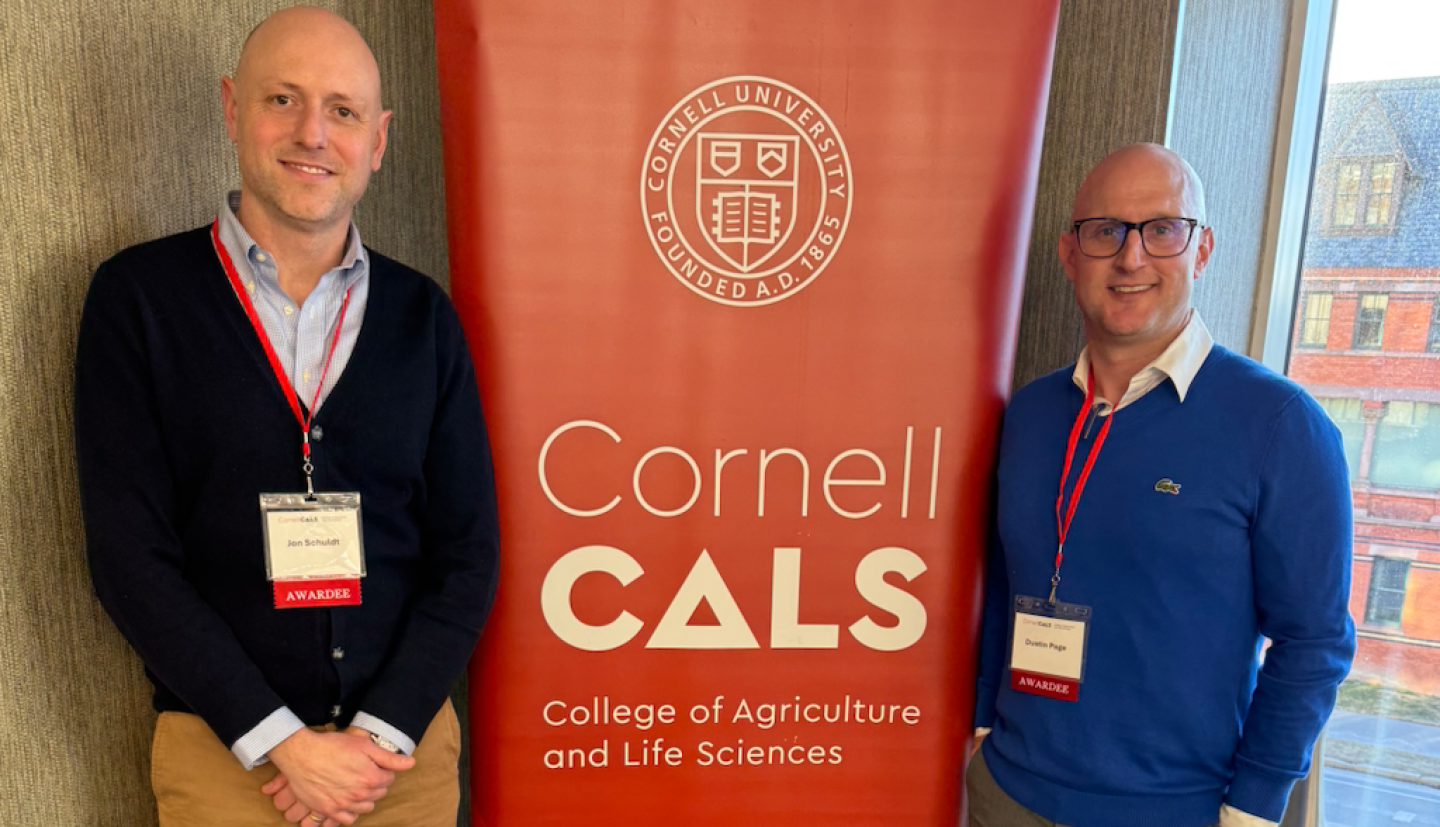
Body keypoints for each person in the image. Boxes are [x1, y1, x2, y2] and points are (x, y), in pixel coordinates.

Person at [73, 7, 499, 826]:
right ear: (232, 108)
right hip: (227, 755)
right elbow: (130, 559)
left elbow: (468, 554)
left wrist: (377, 736)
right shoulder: (138, 301)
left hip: (399, 760)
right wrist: (283, 743)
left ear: (377, 140)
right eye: (283, 100)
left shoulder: (423, 317)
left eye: (342, 111)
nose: (313, 132)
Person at [969, 143, 1355, 827]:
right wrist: (978, 728)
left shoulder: (1280, 425)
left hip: (1175, 810)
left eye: (1162, 229)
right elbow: (1001, 581)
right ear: (1068, 253)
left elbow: (1314, 639)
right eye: (1105, 230)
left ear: (1201, 250)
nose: (1131, 257)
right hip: (1007, 793)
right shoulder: (1027, 414)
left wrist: (1253, 806)